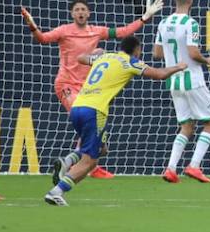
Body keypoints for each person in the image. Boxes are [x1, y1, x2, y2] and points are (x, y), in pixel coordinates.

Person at [21, 0, 164, 179]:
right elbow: (42, 38)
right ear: (72, 14)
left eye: (83, 9)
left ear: (88, 13)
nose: (80, 12)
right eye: (77, 10)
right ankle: (81, 166)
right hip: (66, 84)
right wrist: (32, 25)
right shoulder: (64, 31)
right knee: (87, 124)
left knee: (90, 127)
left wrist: (145, 18)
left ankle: (80, 164)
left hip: (87, 88)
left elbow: (123, 32)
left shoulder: (96, 31)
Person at [44, 37, 185, 206]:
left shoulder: (105, 56)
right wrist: (179, 66)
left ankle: (67, 162)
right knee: (89, 161)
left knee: (101, 150)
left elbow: (81, 58)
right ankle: (57, 192)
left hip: (77, 106)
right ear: (137, 49)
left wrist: (95, 53)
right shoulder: (130, 62)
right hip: (94, 111)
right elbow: (159, 74)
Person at [155, 0, 210, 184]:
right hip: (193, 79)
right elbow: (192, 52)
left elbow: (156, 54)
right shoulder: (191, 24)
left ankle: (171, 168)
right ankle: (194, 165)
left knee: (187, 126)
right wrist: (207, 60)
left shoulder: (163, 23)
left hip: (173, 81)